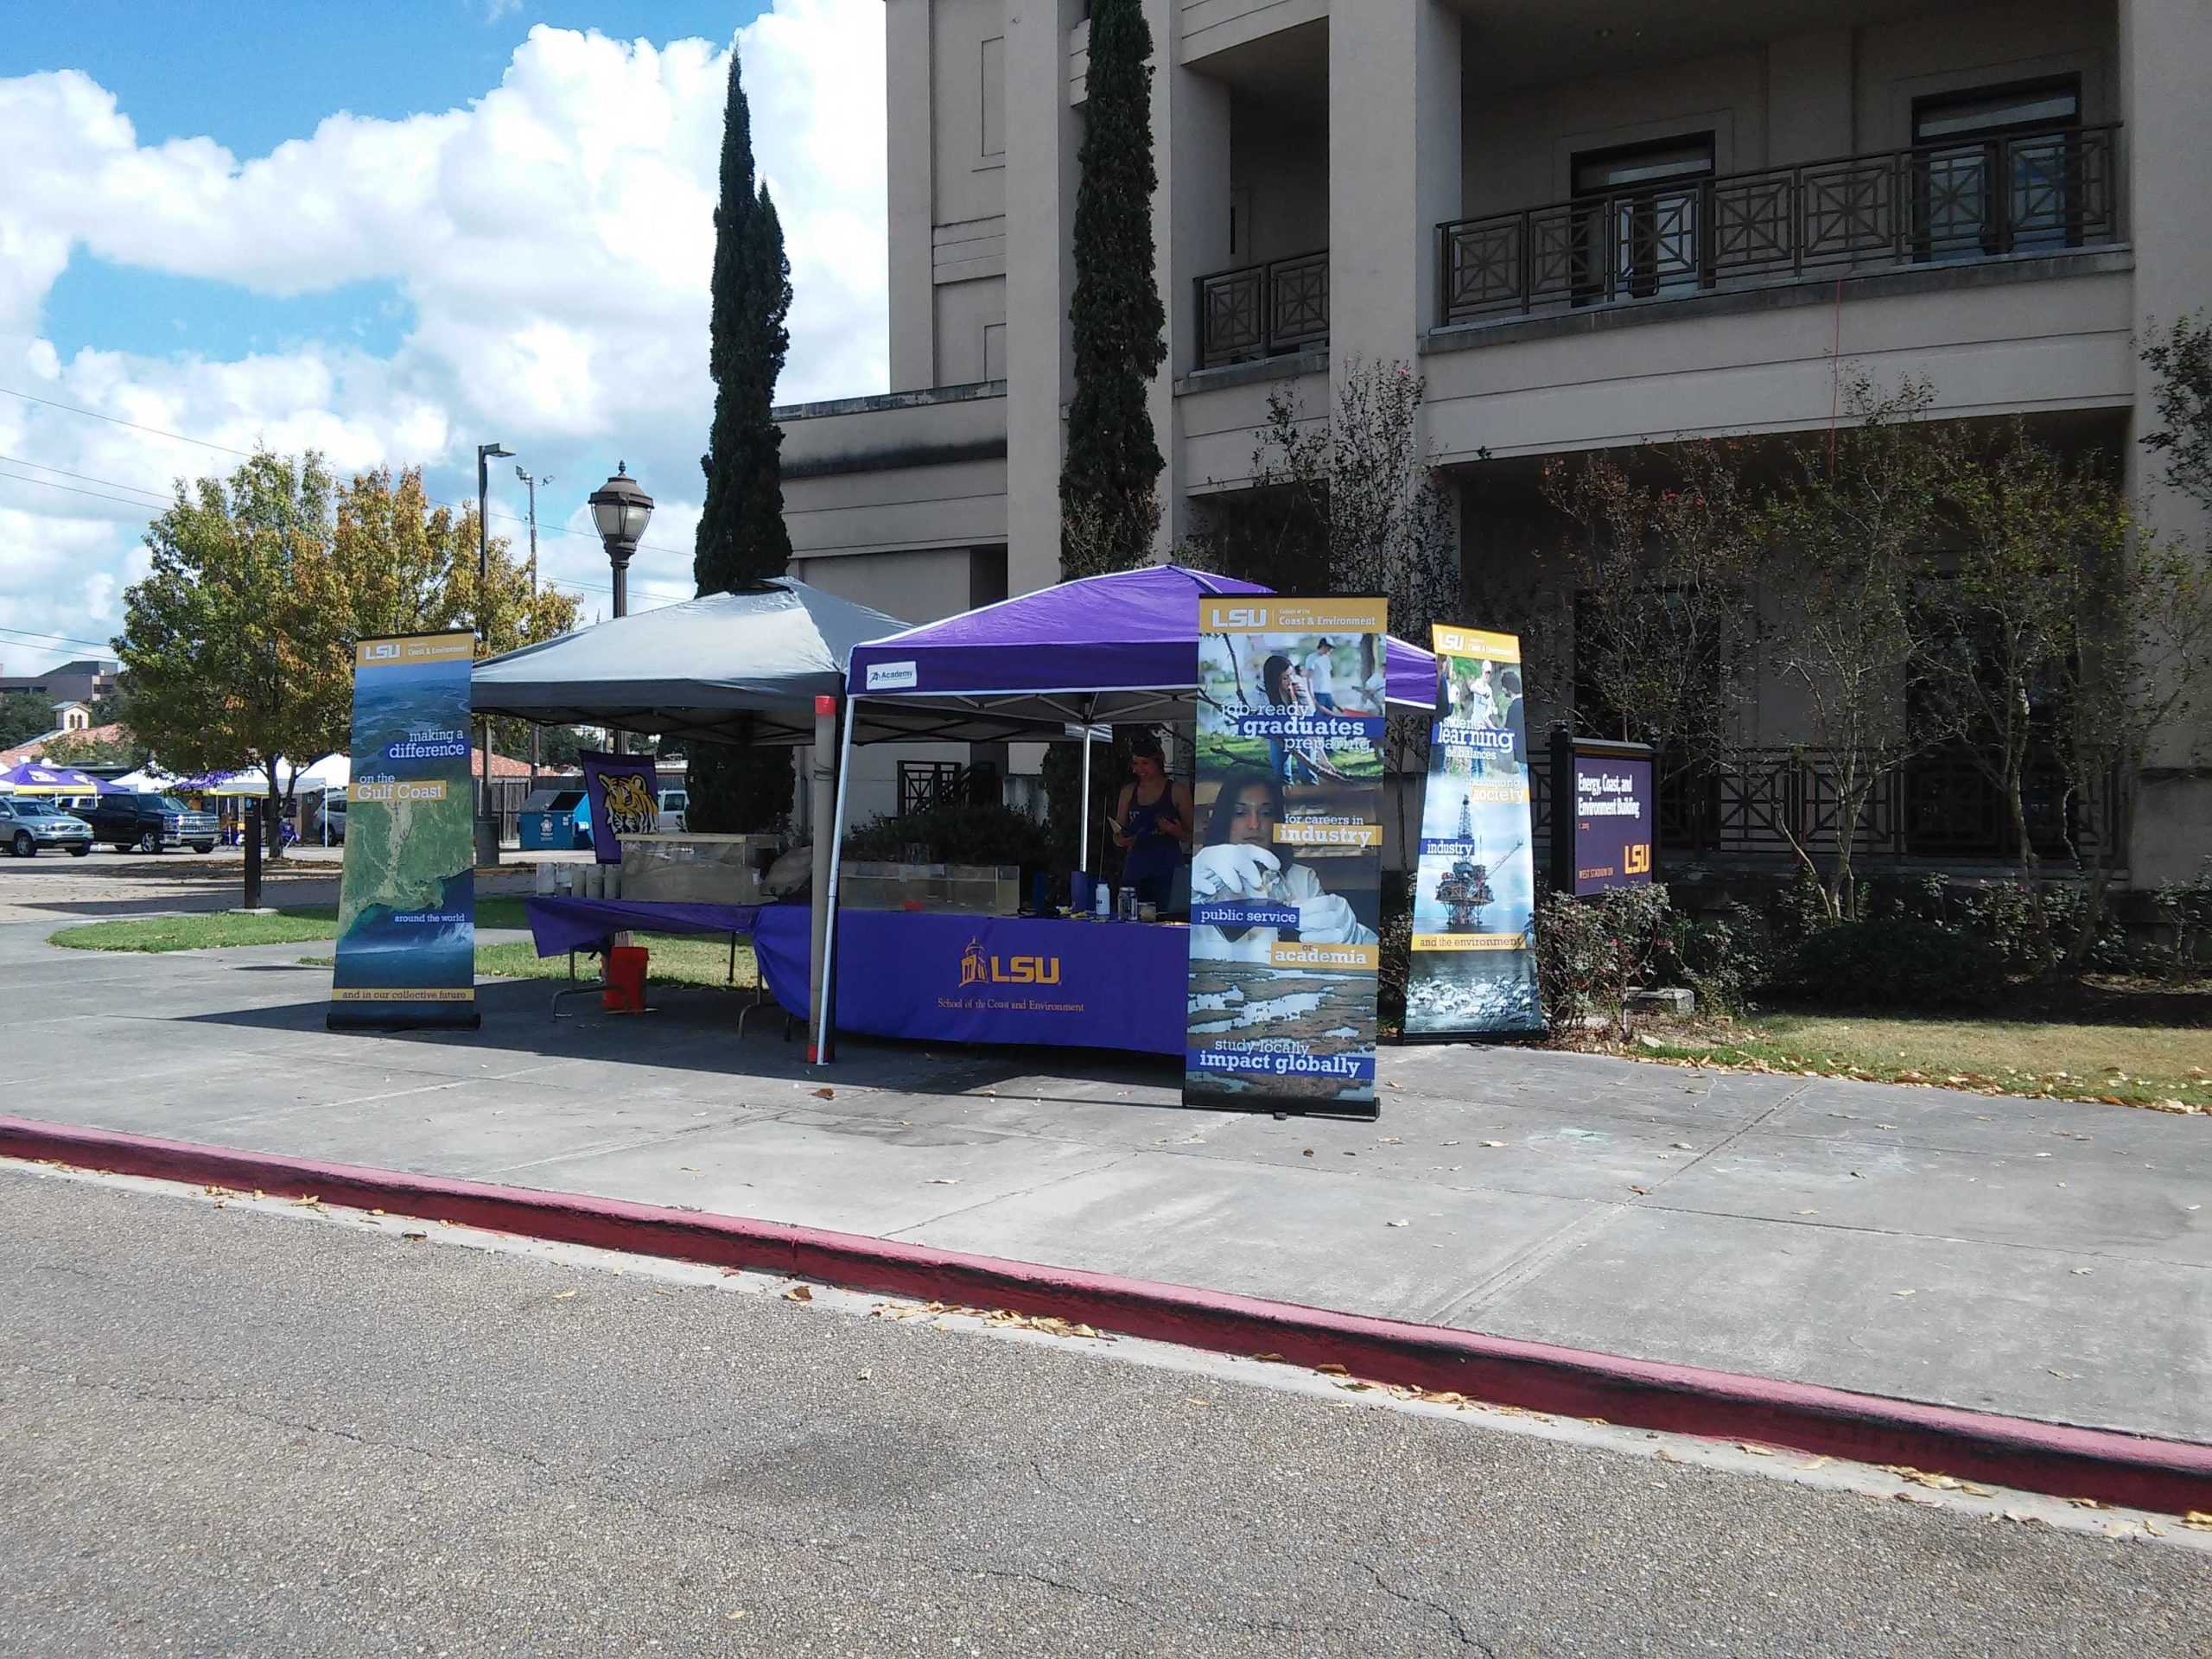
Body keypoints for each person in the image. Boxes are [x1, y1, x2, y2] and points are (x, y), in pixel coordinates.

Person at [1187, 769, 1376, 963]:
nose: (1254, 824)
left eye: (1266, 813)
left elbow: (1335, 949)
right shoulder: (1200, 876)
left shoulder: (1302, 880)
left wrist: (1355, 939)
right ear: (1224, 819)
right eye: (1240, 812)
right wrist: (1185, 891)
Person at [1110, 729, 1192, 910]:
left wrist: (1174, 831)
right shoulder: (1128, 791)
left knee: (1166, 919)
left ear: (1158, 762)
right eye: (1135, 764)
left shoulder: (1177, 790)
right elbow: (1117, 832)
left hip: (1167, 868)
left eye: (1145, 763)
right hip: (1135, 869)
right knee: (1131, 919)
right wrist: (1121, 840)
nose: (1139, 770)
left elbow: (1191, 835)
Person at [1301, 638, 1342, 713]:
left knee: (1331, 718)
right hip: (1317, 692)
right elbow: (1308, 678)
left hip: (1327, 693)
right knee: (1319, 718)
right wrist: (1312, 697)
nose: (1330, 650)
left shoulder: (1327, 659)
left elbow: (1327, 677)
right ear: (1323, 646)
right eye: (1329, 648)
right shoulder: (1312, 658)